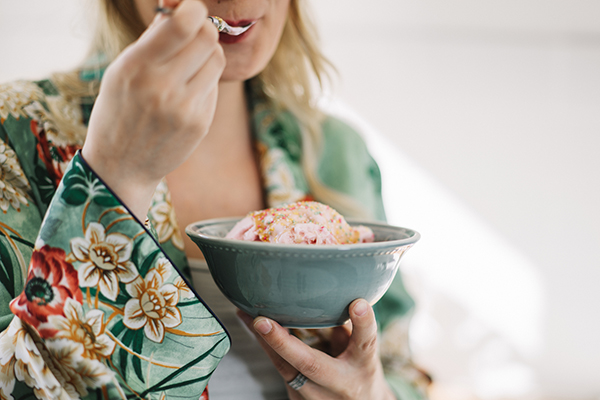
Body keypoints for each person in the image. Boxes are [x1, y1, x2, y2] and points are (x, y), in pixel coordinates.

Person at [0, 0, 431, 398]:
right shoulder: (15, 134)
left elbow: (400, 368)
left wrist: (373, 392)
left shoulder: (338, 151)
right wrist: (117, 179)